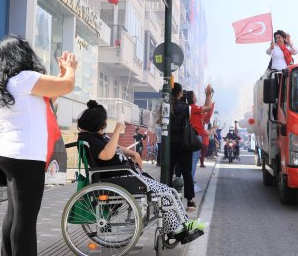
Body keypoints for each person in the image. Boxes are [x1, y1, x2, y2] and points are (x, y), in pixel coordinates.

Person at [0, 35, 78, 256]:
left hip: (7, 154)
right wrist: (70, 68)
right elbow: (68, 85)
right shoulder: (24, 78)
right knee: (25, 215)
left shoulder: (0, 87)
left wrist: (60, 76)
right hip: (24, 156)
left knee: (15, 213)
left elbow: (47, 103)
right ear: (22, 54)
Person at [76, 101, 205, 240]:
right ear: (96, 124)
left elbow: (116, 147)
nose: (105, 125)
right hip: (120, 177)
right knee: (164, 192)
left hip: (126, 174)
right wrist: (118, 130)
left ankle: (182, 224)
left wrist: (134, 154)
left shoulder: (97, 136)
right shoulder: (91, 139)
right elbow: (106, 155)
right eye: (103, 123)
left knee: (168, 191)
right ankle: (177, 228)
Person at [169, 82, 197, 212]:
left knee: (168, 171)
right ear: (180, 93)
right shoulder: (186, 107)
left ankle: (166, 199)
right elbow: (189, 122)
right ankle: (190, 202)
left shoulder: (166, 106)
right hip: (184, 143)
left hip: (170, 143)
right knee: (187, 172)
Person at [189, 86, 214, 187]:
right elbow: (208, 107)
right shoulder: (193, 108)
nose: (196, 97)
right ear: (192, 98)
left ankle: (189, 179)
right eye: (194, 95)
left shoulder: (191, 108)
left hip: (192, 136)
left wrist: (208, 95)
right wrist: (208, 94)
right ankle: (190, 181)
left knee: (191, 160)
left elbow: (205, 106)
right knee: (194, 160)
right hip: (195, 137)